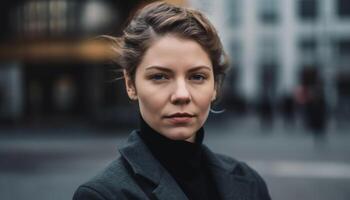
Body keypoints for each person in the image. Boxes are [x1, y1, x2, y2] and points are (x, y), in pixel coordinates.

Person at [73, 2, 271, 200]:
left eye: (197, 77)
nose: (181, 95)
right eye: (159, 77)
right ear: (130, 85)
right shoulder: (103, 195)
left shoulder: (249, 184)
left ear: (215, 87)